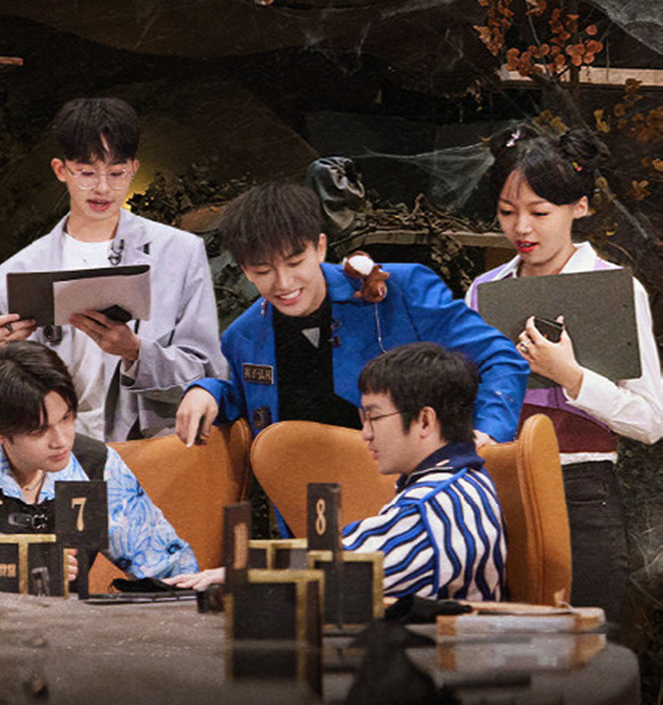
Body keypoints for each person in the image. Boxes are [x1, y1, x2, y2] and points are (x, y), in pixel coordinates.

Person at [466, 124, 663, 623]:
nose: (522, 229)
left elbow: (651, 420)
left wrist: (571, 377)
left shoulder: (615, 289)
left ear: (579, 206)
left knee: (581, 647)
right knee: (496, 644)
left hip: (581, 491)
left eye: (539, 213)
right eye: (507, 212)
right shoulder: (484, 290)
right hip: (495, 489)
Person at [175, 181, 528, 451]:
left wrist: (488, 433)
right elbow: (239, 396)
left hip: (416, 497)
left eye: (295, 263)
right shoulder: (243, 336)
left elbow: (499, 357)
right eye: (263, 271)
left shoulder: (401, 290)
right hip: (309, 507)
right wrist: (207, 391)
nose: (283, 283)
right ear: (245, 271)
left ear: (320, 247)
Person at [171, 343, 506, 601]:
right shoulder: (464, 480)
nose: (366, 434)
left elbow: (333, 574)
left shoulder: (431, 507)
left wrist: (242, 576)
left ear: (425, 421)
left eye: (375, 418)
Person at [0, 97, 225, 442]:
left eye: (116, 173)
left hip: (149, 451)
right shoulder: (11, 277)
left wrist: (136, 352)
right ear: (60, 170)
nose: (102, 188)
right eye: (86, 173)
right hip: (56, 453)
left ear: (134, 169)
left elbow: (209, 374)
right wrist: (6, 354)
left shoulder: (180, 254)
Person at [0, 340, 199, 589]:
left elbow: (168, 566)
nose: (61, 441)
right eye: (39, 431)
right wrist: (21, 563)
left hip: (69, 631)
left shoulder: (94, 466)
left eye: (67, 418)